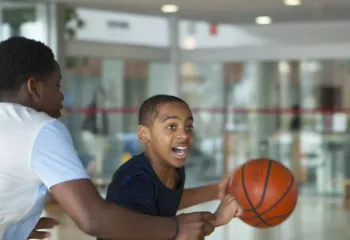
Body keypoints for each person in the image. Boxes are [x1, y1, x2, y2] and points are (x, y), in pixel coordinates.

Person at [0, 36, 215, 240]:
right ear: (34, 87)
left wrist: (11, 229)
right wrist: (176, 228)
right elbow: (93, 218)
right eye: (56, 86)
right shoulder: (40, 128)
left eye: (188, 126)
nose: (62, 96)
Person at [101, 95, 244, 240]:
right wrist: (217, 219)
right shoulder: (134, 182)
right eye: (171, 126)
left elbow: (164, 201)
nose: (184, 134)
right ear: (144, 134)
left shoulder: (174, 168)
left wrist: (216, 190)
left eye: (188, 127)